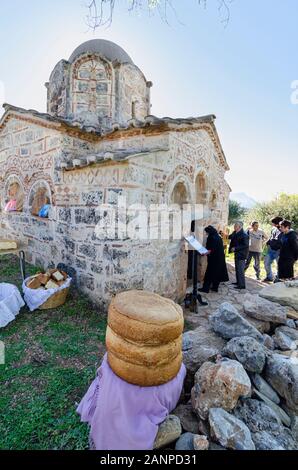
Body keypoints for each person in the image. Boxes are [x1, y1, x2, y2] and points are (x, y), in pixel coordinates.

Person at [198, 226, 229, 293]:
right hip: (220, 258)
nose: (206, 233)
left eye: (206, 232)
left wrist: (203, 253)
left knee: (209, 273)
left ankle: (205, 289)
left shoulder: (211, 238)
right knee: (217, 273)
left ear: (209, 232)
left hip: (214, 259)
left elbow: (210, 250)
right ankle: (215, 288)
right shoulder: (218, 237)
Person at [229, 221, 249, 290]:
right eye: (234, 225)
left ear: (240, 227)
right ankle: (238, 282)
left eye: (235, 226)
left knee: (240, 270)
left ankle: (242, 285)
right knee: (237, 269)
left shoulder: (244, 235)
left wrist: (235, 248)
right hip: (237, 254)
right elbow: (230, 237)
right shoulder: (235, 232)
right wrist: (223, 234)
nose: (234, 227)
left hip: (241, 255)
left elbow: (245, 245)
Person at [263, 216, 283, 282]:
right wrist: (267, 242)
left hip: (278, 251)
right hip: (270, 250)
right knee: (266, 264)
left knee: (279, 266)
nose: (272, 225)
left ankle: (278, 279)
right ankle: (269, 277)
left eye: (273, 223)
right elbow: (271, 237)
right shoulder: (273, 229)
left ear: (277, 223)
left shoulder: (283, 230)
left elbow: (280, 241)